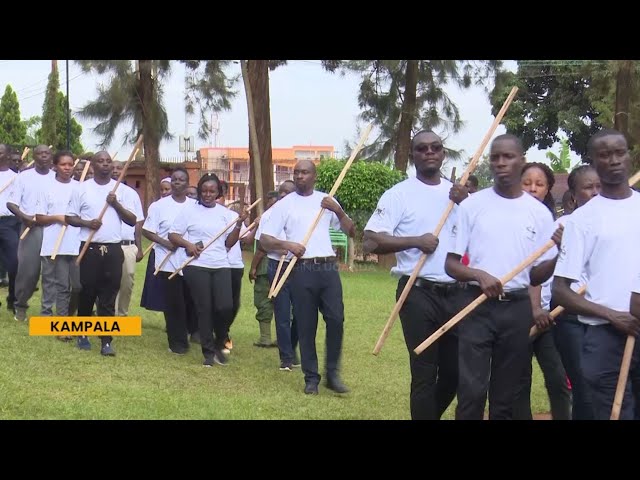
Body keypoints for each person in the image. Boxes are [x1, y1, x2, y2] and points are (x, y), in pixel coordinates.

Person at [444, 134, 561, 420]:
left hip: (517, 309)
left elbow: (535, 275)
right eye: (495, 157)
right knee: (471, 392)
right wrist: (479, 275)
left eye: (508, 156)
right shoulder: (472, 206)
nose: (500, 162)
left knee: (505, 395)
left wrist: (558, 251)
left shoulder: (540, 214)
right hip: (477, 305)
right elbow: (451, 264)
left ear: (521, 160)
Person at [363, 130, 468, 420]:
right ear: (413, 156)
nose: (430, 152)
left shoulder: (457, 195)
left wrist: (467, 202)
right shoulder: (399, 194)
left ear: (443, 153)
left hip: (457, 293)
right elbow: (371, 239)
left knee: (455, 372)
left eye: (436, 147)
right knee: (424, 373)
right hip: (416, 292)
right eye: (422, 149)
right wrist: (415, 241)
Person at [553, 129, 640, 420]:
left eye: (620, 152)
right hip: (606, 336)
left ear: (629, 155)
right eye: (605, 155)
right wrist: (612, 315)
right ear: (594, 161)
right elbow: (561, 291)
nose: (614, 160)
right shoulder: (582, 220)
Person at [260, 160, 355, 395]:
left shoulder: (326, 201)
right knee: (305, 324)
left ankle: (332, 374)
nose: (300, 176)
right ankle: (311, 377)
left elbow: (351, 231)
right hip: (301, 269)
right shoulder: (284, 205)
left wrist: (338, 211)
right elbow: (264, 240)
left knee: (336, 319)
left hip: (327, 269)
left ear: (314, 176)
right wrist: (288, 244)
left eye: (305, 172)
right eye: (297, 172)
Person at [168, 173, 248, 367]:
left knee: (225, 307)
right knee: (204, 309)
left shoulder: (227, 214)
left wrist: (238, 224)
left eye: (212, 191)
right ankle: (209, 353)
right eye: (204, 190)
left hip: (221, 264)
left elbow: (229, 242)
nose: (207, 194)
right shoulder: (189, 211)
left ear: (219, 193)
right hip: (197, 266)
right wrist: (188, 245)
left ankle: (221, 340)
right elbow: (173, 235)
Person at [513, 161, 572, 420]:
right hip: (517, 315)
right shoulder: (510, 221)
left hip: (548, 316)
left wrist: (543, 310)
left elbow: (549, 272)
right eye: (526, 183)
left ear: (548, 189)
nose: (532, 189)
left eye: (539, 184)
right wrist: (534, 309)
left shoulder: (552, 224)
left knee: (558, 378)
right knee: (520, 380)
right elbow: (528, 275)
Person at [65, 151, 137, 355]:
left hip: (114, 249)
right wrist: (88, 223)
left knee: (109, 294)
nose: (105, 165)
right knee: (87, 292)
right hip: (90, 249)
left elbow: (132, 220)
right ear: (93, 165)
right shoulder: (82, 189)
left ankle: (106, 340)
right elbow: (70, 218)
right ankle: (83, 333)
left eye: (108, 161)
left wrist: (115, 204)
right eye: (100, 161)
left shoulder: (121, 191)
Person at [543, 165, 600, 420]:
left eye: (599, 186)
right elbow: (545, 276)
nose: (596, 193)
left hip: (609, 315)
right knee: (583, 386)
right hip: (571, 315)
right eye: (589, 188)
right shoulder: (563, 226)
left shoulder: (619, 221)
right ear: (574, 196)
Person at [142, 167, 197, 354]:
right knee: (174, 304)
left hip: (191, 262)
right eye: (174, 179)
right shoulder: (158, 206)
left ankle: (190, 332)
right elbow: (147, 230)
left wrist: (193, 246)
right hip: (167, 263)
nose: (177, 183)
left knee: (190, 301)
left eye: (181, 180)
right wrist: (165, 243)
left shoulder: (195, 206)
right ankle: (177, 343)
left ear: (187, 183)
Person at [7, 144, 56, 322]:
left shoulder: (57, 177)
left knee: (51, 272)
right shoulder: (24, 177)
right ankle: (20, 306)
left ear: (51, 156)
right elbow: (11, 203)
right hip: (31, 229)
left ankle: (47, 311)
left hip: (53, 229)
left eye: (47, 153)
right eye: (40, 153)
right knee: (28, 272)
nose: (43, 156)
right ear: (34, 156)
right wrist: (25, 217)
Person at [35, 151, 80, 341]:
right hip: (54, 243)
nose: (67, 168)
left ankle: (65, 322)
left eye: (70, 164)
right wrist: (58, 218)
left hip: (75, 244)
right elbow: (39, 218)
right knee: (54, 283)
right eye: (63, 164)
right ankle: (53, 321)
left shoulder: (80, 188)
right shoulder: (46, 188)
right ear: (55, 166)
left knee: (72, 286)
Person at [257, 182, 300, 370]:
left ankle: (292, 347)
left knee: (301, 313)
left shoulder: (303, 213)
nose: (284, 195)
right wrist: (281, 246)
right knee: (282, 313)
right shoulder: (269, 215)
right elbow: (262, 244)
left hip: (302, 266)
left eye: (288, 192)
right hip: (278, 266)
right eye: (281, 192)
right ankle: (286, 357)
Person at [111, 161, 145, 317]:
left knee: (127, 280)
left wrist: (139, 247)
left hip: (127, 245)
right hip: (108, 244)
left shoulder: (131, 193)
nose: (116, 171)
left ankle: (122, 314)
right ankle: (107, 312)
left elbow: (138, 222)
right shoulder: (101, 191)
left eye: (119, 168)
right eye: (113, 167)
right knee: (107, 281)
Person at [248, 190, 281, 349]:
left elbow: (261, 248)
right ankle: (283, 338)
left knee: (263, 300)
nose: (270, 207)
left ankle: (265, 338)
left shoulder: (268, 217)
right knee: (283, 302)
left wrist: (253, 267)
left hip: (268, 263)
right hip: (287, 263)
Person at [0, 144, 20, 312]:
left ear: (7, 155)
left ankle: (12, 298)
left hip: (10, 223)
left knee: (14, 262)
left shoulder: (17, 177)